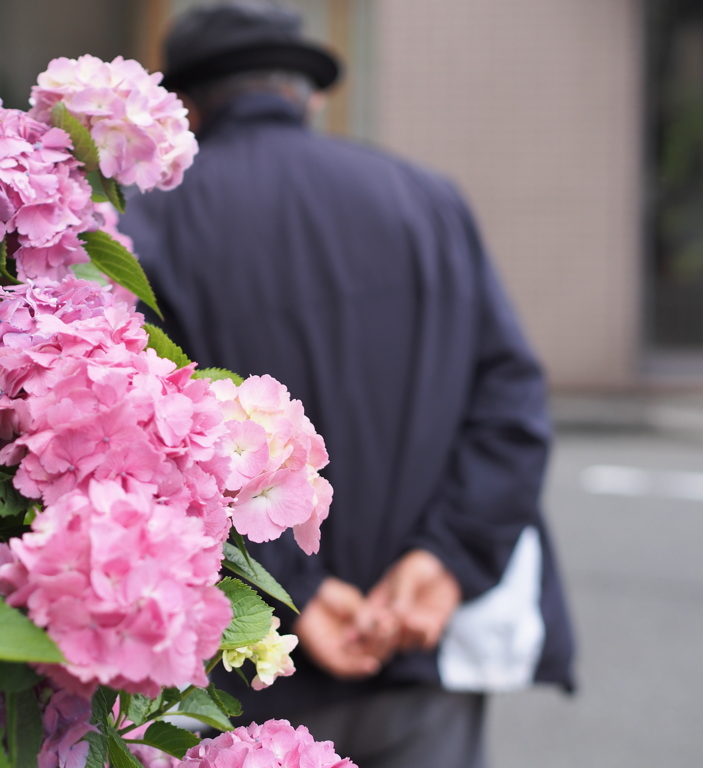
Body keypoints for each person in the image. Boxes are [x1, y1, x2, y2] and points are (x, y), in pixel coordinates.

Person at [119, 3, 575, 767]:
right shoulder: (428, 199)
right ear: (310, 94)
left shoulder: (152, 225)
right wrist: (443, 561)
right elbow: (512, 406)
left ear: (186, 107)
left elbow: (142, 444)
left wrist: (297, 587)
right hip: (418, 654)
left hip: (243, 675)